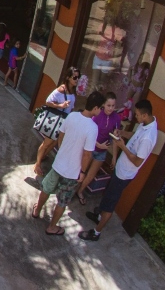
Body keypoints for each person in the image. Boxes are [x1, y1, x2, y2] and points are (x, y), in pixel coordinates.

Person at [79, 99, 158, 241]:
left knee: (110, 204)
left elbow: (137, 161)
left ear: (145, 115)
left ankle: (96, 232)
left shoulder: (148, 138)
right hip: (119, 169)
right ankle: (98, 216)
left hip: (124, 175)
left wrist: (122, 147)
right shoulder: (145, 124)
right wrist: (121, 132)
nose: (136, 117)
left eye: (138, 115)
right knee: (107, 194)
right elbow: (134, 135)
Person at [33, 90, 104, 236]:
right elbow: (87, 153)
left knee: (46, 188)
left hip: (59, 163)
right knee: (62, 201)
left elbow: (61, 134)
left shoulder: (72, 116)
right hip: (72, 172)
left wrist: (62, 149)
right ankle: (52, 226)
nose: (100, 110)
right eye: (101, 107)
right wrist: (83, 172)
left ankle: (37, 210)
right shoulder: (92, 128)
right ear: (96, 108)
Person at [76, 92, 121, 206]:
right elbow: (88, 132)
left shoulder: (116, 118)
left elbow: (115, 138)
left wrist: (114, 157)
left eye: (113, 106)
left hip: (102, 152)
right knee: (82, 170)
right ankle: (71, 189)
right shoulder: (97, 115)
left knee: (91, 175)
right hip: (90, 148)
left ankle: (80, 192)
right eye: (108, 105)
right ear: (103, 105)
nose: (110, 108)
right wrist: (98, 144)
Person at [34, 67, 80, 176]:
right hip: (56, 120)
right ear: (68, 77)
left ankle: (42, 157)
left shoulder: (73, 90)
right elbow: (48, 101)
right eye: (75, 77)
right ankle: (37, 164)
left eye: (78, 77)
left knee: (54, 142)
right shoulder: (61, 90)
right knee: (47, 143)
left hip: (64, 121)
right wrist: (60, 105)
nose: (77, 79)